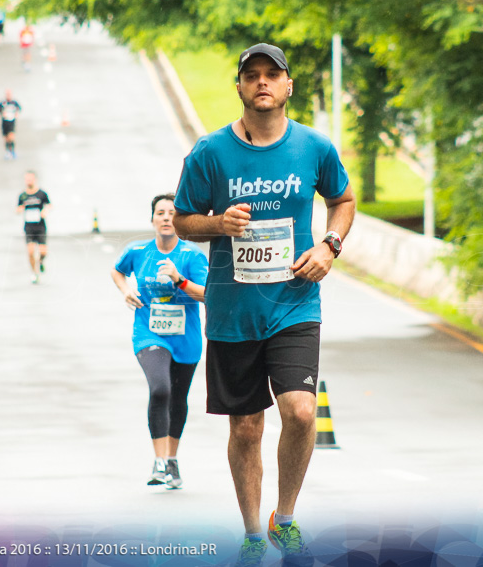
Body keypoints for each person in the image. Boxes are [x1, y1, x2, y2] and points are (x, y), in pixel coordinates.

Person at [173, 43, 355, 567]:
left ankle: (286, 517)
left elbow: (342, 200)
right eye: (251, 75)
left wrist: (329, 246)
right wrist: (217, 224)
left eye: (271, 75)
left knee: (300, 411)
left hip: (296, 302)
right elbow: (184, 218)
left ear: (288, 85)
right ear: (239, 87)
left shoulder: (314, 148)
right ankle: (253, 532)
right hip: (233, 312)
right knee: (246, 427)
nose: (262, 83)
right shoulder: (210, 152)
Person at [111, 194, 208, 489]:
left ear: (178, 221)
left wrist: (179, 279)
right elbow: (117, 271)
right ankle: (159, 460)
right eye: (160, 213)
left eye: (171, 213)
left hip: (185, 337)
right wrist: (126, 289)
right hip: (149, 333)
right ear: (152, 219)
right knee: (161, 388)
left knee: (178, 398)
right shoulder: (137, 250)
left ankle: (172, 460)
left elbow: (206, 294)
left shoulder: (192, 256)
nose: (166, 218)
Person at [16, 171, 51, 284]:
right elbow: (18, 208)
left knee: (43, 252)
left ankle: (40, 262)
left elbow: (49, 205)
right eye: (27, 179)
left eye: (30, 179)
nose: (29, 181)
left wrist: (45, 211)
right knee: (30, 252)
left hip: (40, 227)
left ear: (35, 179)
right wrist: (20, 209)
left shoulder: (41, 193)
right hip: (29, 227)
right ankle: (34, 273)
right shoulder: (23, 195)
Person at [0, 90, 22, 160]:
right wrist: (2, 113)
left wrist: (16, 114)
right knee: (6, 138)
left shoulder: (14, 103)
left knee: (11, 137)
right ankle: (7, 151)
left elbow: (19, 109)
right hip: (5, 122)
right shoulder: (3, 103)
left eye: (9, 94)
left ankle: (12, 151)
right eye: (7, 94)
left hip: (11, 122)